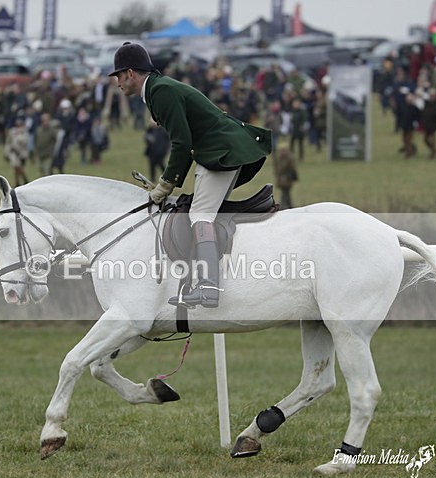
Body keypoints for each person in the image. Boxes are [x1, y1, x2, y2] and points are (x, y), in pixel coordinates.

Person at [109, 41, 272, 309]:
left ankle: (208, 287)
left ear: (130, 73)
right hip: (219, 149)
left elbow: (182, 143)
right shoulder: (157, 90)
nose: (116, 82)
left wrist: (166, 184)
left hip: (221, 151)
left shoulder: (160, 91)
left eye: (118, 75)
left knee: (200, 215)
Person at [4, 116, 30, 186]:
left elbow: (24, 142)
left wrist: (18, 136)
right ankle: (17, 183)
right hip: (14, 153)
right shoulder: (12, 132)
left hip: (21, 154)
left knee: (19, 168)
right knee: (15, 168)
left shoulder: (25, 133)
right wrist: (6, 152)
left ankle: (25, 180)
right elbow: (8, 142)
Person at [273, 143, 297, 210]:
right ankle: (287, 205)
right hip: (282, 179)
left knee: (286, 193)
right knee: (285, 193)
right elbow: (277, 169)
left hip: (287, 179)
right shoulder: (279, 159)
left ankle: (285, 205)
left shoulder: (289, 159)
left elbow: (292, 169)